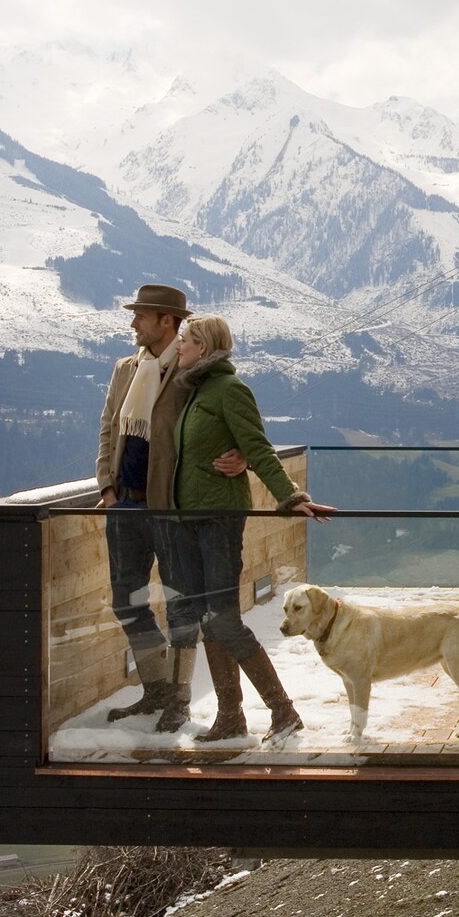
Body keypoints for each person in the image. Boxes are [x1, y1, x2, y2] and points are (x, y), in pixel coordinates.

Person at [159, 312, 335, 741]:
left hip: (219, 521)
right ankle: (231, 717)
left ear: (203, 347)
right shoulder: (197, 391)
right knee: (208, 619)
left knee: (223, 621)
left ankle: (283, 711)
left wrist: (291, 497)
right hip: (191, 521)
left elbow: (258, 447)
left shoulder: (229, 390)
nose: (178, 345)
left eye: (185, 339)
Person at [94, 283, 248, 728]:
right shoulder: (126, 369)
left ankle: (178, 700)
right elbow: (108, 428)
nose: (132, 323)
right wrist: (108, 487)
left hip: (172, 506)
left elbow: (227, 420)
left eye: (141, 315)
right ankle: (156, 690)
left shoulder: (191, 371)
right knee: (127, 600)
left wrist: (240, 456)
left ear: (168, 321)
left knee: (182, 603)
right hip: (125, 503)